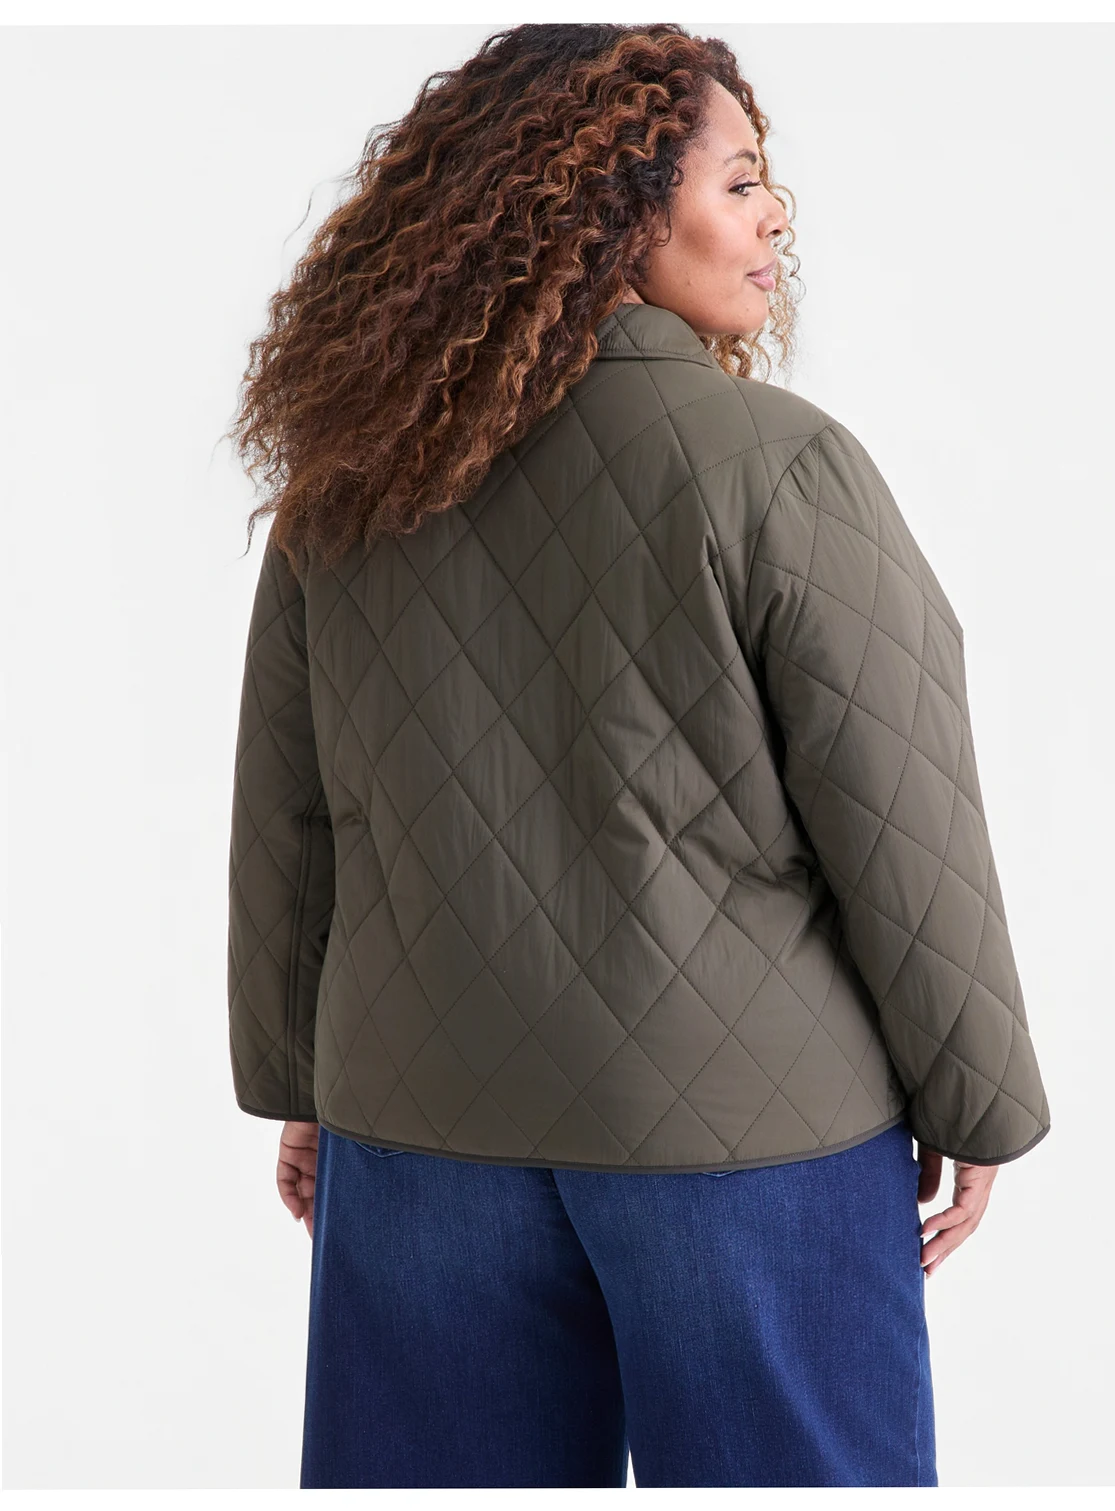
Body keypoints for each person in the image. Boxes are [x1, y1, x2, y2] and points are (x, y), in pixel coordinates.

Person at [223, 23, 1051, 1490]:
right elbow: (901, 815)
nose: (776, 216)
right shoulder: (777, 464)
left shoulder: (348, 485)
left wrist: (300, 1079)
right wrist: (979, 1097)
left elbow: (290, 816)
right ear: (610, 214)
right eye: (740, 181)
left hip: (413, 1127)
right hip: (749, 1150)